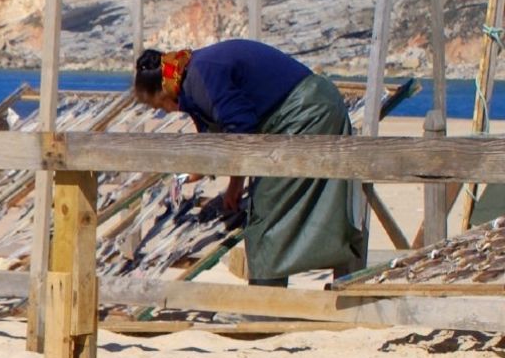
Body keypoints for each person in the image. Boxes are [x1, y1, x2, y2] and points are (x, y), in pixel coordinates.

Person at [132, 40, 368, 286]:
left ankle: (265, 305)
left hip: (307, 114)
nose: (165, 112)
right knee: (273, 203)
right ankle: (275, 294)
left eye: (159, 105)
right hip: (307, 109)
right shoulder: (191, 73)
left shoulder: (201, 77)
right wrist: (208, 174)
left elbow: (240, 133)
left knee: (267, 209)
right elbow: (217, 133)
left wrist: (228, 180)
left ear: (164, 89)